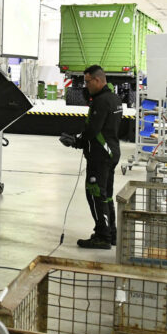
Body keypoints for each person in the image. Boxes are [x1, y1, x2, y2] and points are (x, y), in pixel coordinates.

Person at [60, 64, 122, 250]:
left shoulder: (101, 101)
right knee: (106, 195)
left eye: (88, 82)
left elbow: (93, 130)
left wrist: (76, 141)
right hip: (112, 152)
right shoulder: (114, 98)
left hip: (100, 155)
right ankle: (111, 233)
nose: (86, 86)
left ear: (97, 80)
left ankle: (102, 236)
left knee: (95, 193)